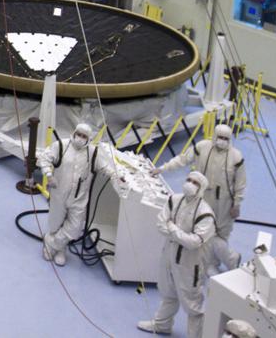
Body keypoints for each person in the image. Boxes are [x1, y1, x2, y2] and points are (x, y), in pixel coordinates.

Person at [156, 123, 246, 271]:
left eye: (226, 138)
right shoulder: (202, 147)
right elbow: (182, 159)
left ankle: (229, 259)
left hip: (224, 201)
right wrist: (162, 169)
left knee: (220, 235)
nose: (222, 141)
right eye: (220, 137)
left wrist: (237, 204)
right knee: (203, 232)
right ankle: (216, 262)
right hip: (202, 197)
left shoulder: (236, 157)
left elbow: (241, 183)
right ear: (214, 136)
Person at [138, 170, 216, 336]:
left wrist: (172, 227)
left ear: (201, 188)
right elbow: (160, 224)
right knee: (168, 292)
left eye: (195, 183)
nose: (190, 184)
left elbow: (193, 242)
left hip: (190, 264)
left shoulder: (205, 214)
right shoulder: (174, 200)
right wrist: (179, 234)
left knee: (192, 303)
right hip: (169, 254)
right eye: (189, 179)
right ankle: (162, 324)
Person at [36, 122, 122, 266]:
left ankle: (50, 243)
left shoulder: (93, 152)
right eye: (79, 134)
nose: (80, 138)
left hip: (79, 197)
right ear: (74, 133)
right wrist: (49, 175)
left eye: (84, 136)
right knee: (55, 224)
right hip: (59, 193)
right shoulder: (61, 146)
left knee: (75, 228)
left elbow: (105, 167)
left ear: (88, 138)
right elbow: (44, 158)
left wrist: (116, 175)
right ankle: (60, 249)